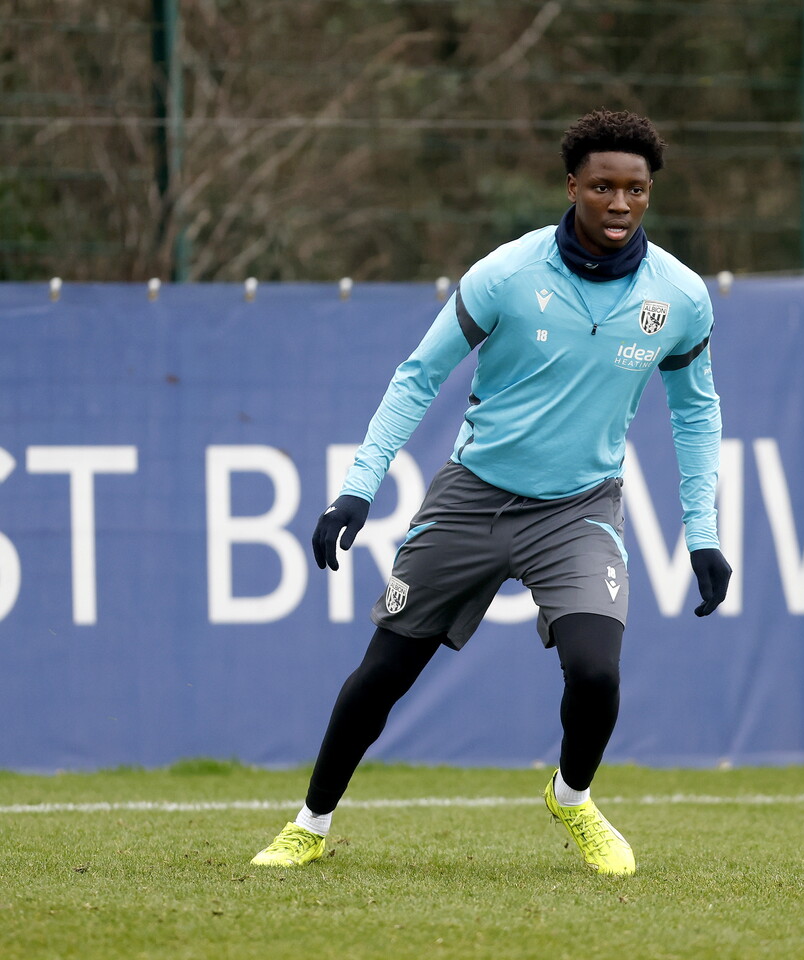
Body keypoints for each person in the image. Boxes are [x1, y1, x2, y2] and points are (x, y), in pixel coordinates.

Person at [250, 109, 730, 877]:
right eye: (602, 186)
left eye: (635, 189)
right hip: (470, 501)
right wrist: (355, 491)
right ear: (572, 186)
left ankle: (571, 798)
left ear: (650, 194)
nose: (619, 203)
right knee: (381, 676)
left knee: (598, 673)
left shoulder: (679, 296)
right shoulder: (507, 274)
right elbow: (418, 377)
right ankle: (309, 822)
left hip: (579, 511)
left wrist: (702, 531)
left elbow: (696, 412)